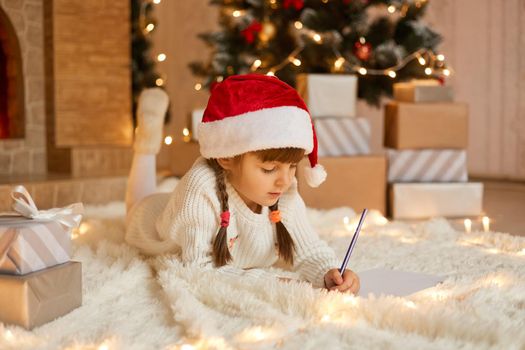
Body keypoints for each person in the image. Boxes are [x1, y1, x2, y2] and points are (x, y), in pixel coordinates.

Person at [125, 74, 360, 293]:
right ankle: (145, 146)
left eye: (292, 167)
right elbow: (200, 271)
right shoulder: (199, 189)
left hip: (182, 208)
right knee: (137, 202)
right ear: (226, 156)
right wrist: (268, 282)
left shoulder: (284, 190)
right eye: (269, 169)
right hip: (148, 218)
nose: (285, 180)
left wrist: (329, 273)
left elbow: (309, 249)